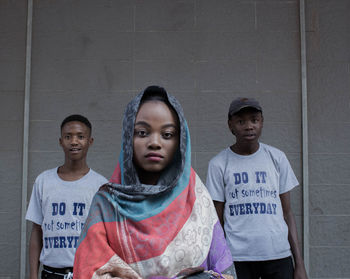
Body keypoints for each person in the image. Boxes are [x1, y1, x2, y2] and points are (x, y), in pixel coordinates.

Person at [73, 86, 236, 279]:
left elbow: (224, 271)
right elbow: (88, 271)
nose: (155, 143)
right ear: (127, 138)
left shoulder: (195, 194)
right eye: (142, 133)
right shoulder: (106, 204)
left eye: (167, 134)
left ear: (180, 141)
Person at [206, 97, 308, 279]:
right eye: (240, 121)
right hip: (238, 258)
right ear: (230, 125)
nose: (248, 126)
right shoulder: (219, 164)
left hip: (278, 255)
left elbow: (287, 213)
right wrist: (217, 262)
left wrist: (299, 263)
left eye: (254, 120)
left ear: (262, 122)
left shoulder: (277, 158)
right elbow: (217, 220)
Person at [26, 114, 108, 279]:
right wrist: (33, 275)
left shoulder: (101, 186)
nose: (74, 141)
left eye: (81, 136)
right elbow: (36, 232)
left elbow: (107, 237)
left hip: (87, 273)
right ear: (60, 141)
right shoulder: (43, 181)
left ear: (90, 141)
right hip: (50, 273)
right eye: (68, 136)